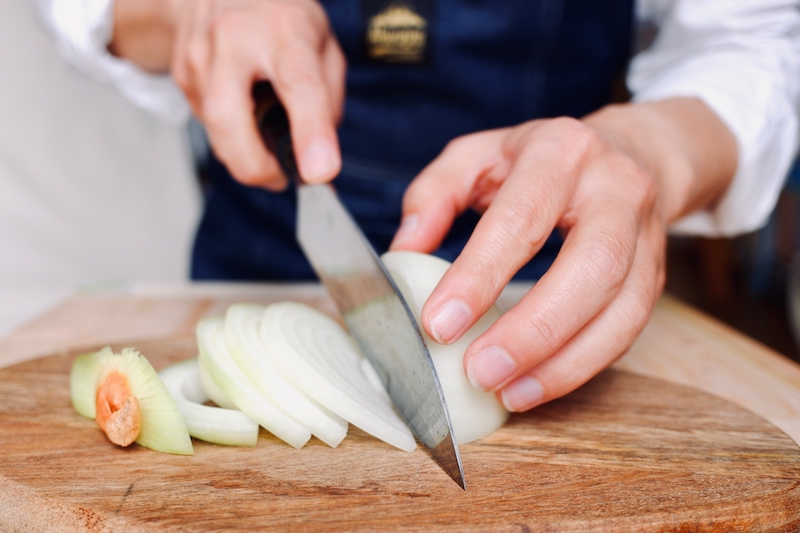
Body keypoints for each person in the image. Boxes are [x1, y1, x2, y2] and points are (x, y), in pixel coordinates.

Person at [35, 0, 800, 413]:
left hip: (558, 288)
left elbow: (755, 41)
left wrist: (651, 149)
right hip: (257, 271)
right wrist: (185, 12)